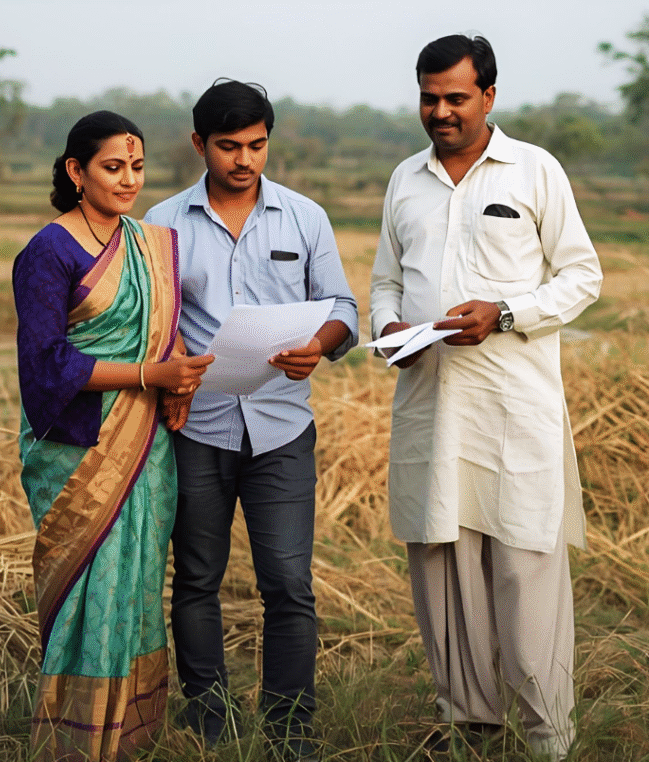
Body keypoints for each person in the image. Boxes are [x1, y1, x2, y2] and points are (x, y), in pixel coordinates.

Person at [369, 35, 602, 761]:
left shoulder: (534, 170)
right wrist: (388, 328)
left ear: (489, 97)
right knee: (442, 574)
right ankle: (469, 731)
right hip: (432, 411)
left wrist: (503, 313)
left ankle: (548, 739)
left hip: (514, 414)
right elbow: (383, 282)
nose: (440, 111)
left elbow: (581, 276)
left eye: (455, 97)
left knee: (526, 578)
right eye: (429, 97)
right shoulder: (405, 179)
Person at [144, 80, 359, 761]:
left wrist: (318, 347)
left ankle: (291, 730)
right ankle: (209, 722)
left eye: (257, 145)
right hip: (196, 429)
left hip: (282, 427)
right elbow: (150, 324)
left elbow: (343, 308)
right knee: (197, 579)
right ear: (199, 144)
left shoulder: (305, 217)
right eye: (229, 147)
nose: (244, 160)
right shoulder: (161, 223)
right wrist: (170, 359)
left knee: (289, 585)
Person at [13, 111, 214, 761]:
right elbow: (47, 367)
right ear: (76, 171)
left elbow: (163, 325)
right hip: (80, 450)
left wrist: (177, 377)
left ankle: (132, 734)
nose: (129, 180)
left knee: (135, 583)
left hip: (147, 447)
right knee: (90, 589)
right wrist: (149, 374)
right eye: (112, 167)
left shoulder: (148, 243)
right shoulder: (48, 251)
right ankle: (77, 741)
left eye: (137, 167)